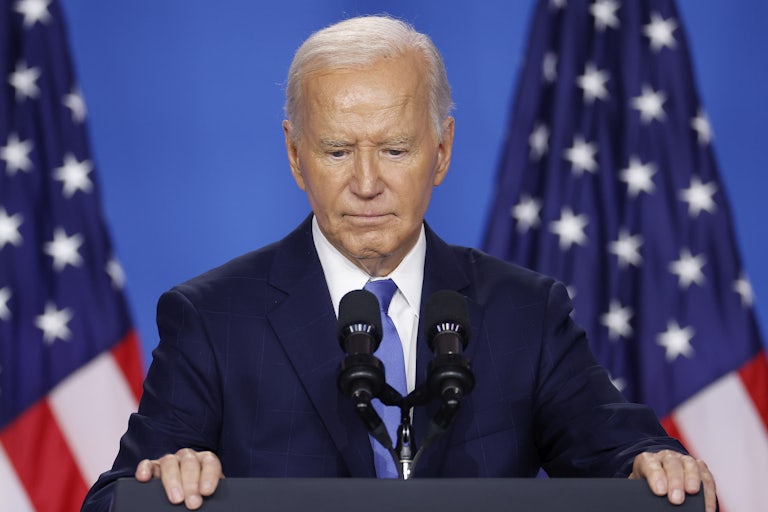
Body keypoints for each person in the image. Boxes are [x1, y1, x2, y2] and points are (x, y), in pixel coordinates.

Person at [81, 15, 716, 512]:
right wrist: (164, 479)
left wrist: (652, 463)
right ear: (295, 154)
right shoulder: (214, 318)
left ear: (442, 150)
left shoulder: (525, 312)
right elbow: (112, 499)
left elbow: (623, 451)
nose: (366, 184)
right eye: (337, 151)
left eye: (394, 149)